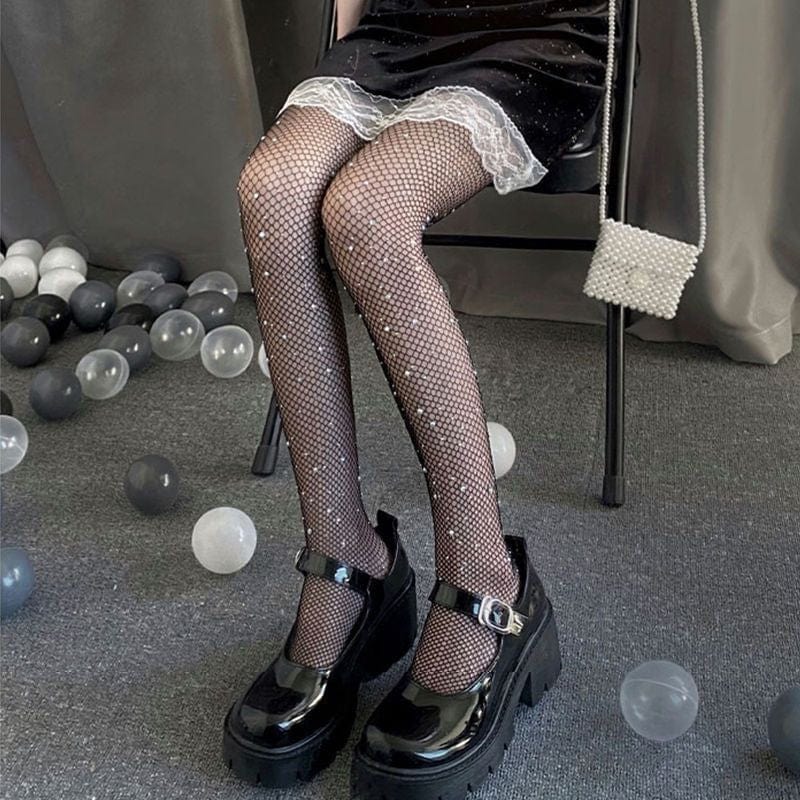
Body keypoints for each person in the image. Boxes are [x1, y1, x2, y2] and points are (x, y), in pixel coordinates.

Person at [223, 1, 613, 797]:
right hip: (402, 23)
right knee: (272, 192)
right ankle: (347, 556)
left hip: (537, 30)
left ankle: (486, 580)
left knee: (366, 211)